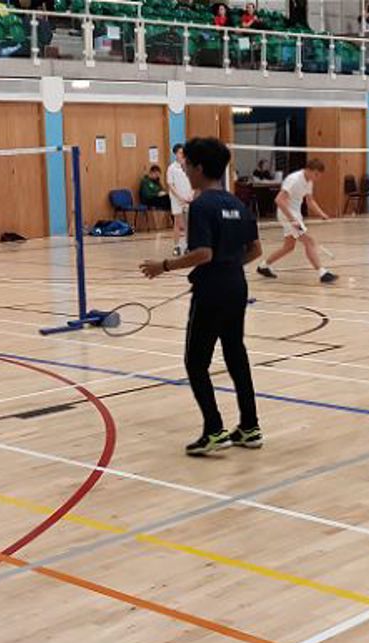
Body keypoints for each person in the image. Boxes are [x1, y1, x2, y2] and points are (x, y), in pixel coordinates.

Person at [139, 137, 262, 456]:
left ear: (200, 168)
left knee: (195, 362)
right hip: (236, 286)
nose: (185, 169)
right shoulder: (237, 203)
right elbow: (256, 250)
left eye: (187, 164)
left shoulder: (202, 206)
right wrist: (228, 266)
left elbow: (203, 253)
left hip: (212, 291)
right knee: (236, 354)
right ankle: (250, 427)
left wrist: (163, 265)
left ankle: (214, 429)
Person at [256, 159, 337, 284]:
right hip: (286, 214)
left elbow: (310, 201)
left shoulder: (309, 181)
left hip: (295, 214)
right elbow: (279, 200)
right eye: (316, 174)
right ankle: (322, 273)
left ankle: (263, 266)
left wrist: (322, 214)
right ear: (309, 170)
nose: (317, 178)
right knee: (309, 241)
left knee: (289, 246)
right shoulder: (293, 180)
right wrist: (292, 219)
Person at [167, 143, 195, 256]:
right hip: (177, 199)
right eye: (179, 152)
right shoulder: (171, 168)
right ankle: (176, 246)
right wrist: (180, 197)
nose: (182, 154)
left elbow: (194, 181)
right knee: (178, 223)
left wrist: (191, 195)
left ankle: (188, 245)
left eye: (183, 152)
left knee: (189, 223)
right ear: (175, 154)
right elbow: (170, 184)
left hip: (189, 198)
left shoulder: (189, 165)